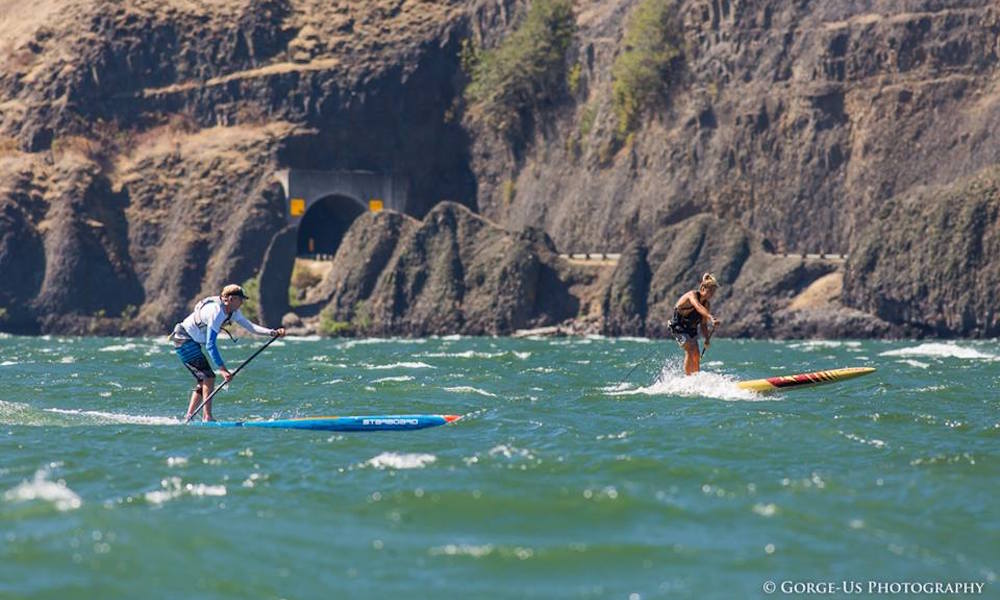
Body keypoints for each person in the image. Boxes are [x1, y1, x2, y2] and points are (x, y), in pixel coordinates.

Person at [169, 284, 285, 421]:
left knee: (204, 379)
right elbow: (210, 345)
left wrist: (273, 332)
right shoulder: (216, 312)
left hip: (192, 340)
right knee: (208, 377)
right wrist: (223, 370)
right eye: (240, 299)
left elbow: (251, 327)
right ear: (230, 299)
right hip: (184, 339)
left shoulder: (233, 312)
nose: (242, 302)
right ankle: (207, 417)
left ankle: (189, 417)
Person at [668, 273, 721, 375]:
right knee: (690, 349)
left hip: (691, 329)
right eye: (710, 291)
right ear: (703, 288)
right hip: (678, 326)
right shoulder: (692, 295)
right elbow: (697, 307)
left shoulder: (707, 304)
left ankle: (696, 377)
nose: (712, 295)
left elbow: (703, 324)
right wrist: (711, 317)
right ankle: (688, 379)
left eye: (714, 292)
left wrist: (707, 338)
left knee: (696, 353)